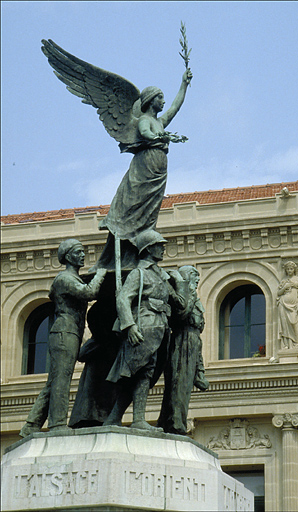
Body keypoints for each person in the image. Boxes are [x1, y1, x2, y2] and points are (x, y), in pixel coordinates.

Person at [91, 69, 193, 272]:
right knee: (134, 209)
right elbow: (145, 133)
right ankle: (121, 256)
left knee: (149, 214)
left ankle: (140, 251)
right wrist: (158, 139)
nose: (163, 101)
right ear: (150, 100)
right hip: (143, 169)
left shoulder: (160, 121)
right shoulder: (144, 121)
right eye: (160, 97)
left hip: (158, 173)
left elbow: (175, 106)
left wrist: (184, 84)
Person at [19, 239, 107, 437]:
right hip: (63, 333)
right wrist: (101, 274)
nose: (83, 255)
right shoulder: (64, 279)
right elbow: (89, 292)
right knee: (61, 380)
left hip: (71, 333)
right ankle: (57, 423)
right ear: (68, 256)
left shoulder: (73, 278)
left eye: (83, 251)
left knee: (54, 381)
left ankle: (31, 425)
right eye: (78, 252)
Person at [104, 230, 188, 431]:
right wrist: (130, 326)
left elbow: (181, 305)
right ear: (149, 249)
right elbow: (124, 299)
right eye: (159, 245)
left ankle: (114, 418)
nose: (163, 248)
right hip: (144, 326)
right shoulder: (138, 273)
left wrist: (181, 283)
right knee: (139, 373)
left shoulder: (162, 275)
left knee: (143, 373)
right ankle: (137, 420)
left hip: (160, 328)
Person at [158, 265, 209, 435]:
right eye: (194, 277)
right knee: (178, 383)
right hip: (181, 339)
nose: (196, 280)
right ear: (186, 277)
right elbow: (182, 314)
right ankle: (174, 423)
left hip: (193, 340)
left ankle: (175, 420)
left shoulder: (192, 296)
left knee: (184, 386)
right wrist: (190, 295)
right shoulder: (183, 296)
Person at [277, 261, 298, 349]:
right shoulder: (283, 280)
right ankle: (286, 344)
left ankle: (297, 343)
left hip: (293, 306)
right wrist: (285, 287)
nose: (289, 270)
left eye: (291, 269)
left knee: (294, 322)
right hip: (283, 304)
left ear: (294, 269)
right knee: (284, 325)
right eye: (288, 269)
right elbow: (278, 293)